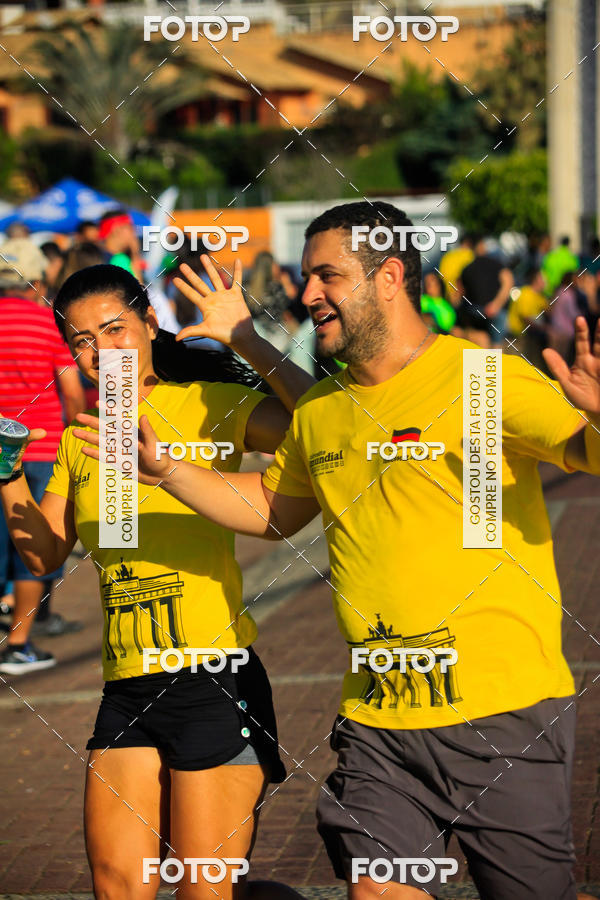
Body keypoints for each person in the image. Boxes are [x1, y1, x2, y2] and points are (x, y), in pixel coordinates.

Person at [122, 200, 600, 900]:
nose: (307, 292)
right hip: (378, 726)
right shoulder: (322, 409)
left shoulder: (480, 379)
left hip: (505, 717)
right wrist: (170, 471)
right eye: (307, 277)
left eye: (327, 276)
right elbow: (272, 510)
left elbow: (585, 451)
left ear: (389, 277)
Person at [0, 260, 314, 899]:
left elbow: (332, 428)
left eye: (113, 329)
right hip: (126, 690)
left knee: (204, 890)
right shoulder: (81, 438)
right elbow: (45, 553)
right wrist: (7, 472)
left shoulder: (206, 403)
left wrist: (248, 343)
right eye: (81, 341)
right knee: (118, 885)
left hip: (212, 681)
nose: (98, 352)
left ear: (150, 323)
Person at [0, 239, 86, 670]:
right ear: (36, 282)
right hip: (41, 447)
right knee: (31, 545)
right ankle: (18, 643)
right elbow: (72, 394)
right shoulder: (48, 323)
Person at [457, 237, 514, 348]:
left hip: (474, 312)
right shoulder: (497, 264)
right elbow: (508, 282)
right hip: (492, 312)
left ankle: (483, 364)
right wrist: (496, 305)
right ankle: (494, 363)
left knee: (479, 343)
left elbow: (459, 293)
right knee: (496, 346)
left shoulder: (467, 268)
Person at [506, 267, 549, 369]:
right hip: (517, 337)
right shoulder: (525, 293)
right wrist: (542, 328)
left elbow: (549, 310)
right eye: (543, 280)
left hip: (529, 336)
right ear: (536, 280)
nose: (546, 282)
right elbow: (525, 317)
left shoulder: (540, 296)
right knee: (516, 365)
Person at [438, 232, 474, 306]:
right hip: (464, 296)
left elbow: (441, 276)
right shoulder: (471, 255)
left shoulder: (447, 256)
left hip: (448, 295)